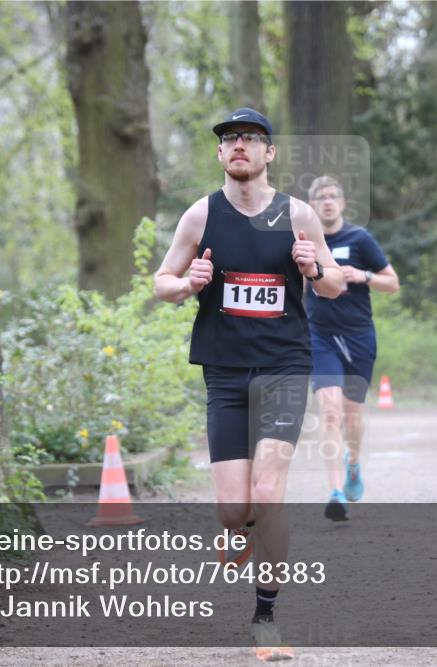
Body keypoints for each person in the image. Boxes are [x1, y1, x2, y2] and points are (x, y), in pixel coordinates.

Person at [154, 107, 344, 660]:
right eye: (230, 139)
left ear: (269, 154)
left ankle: (265, 616)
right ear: (220, 154)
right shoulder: (200, 216)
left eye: (251, 139)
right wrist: (187, 282)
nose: (240, 146)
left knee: (267, 493)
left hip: (285, 366)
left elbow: (334, 285)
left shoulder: (298, 214)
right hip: (225, 372)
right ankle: (239, 531)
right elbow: (161, 281)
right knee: (232, 509)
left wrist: (312, 269)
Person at [305, 175, 399, 521]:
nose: (327, 202)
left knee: (351, 414)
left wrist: (364, 276)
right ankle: (334, 490)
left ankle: (354, 464)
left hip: (359, 335)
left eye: (333, 196)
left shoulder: (360, 239)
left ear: (342, 203)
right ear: (312, 207)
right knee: (329, 410)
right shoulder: (305, 242)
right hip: (320, 334)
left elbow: (393, 282)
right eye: (321, 197)